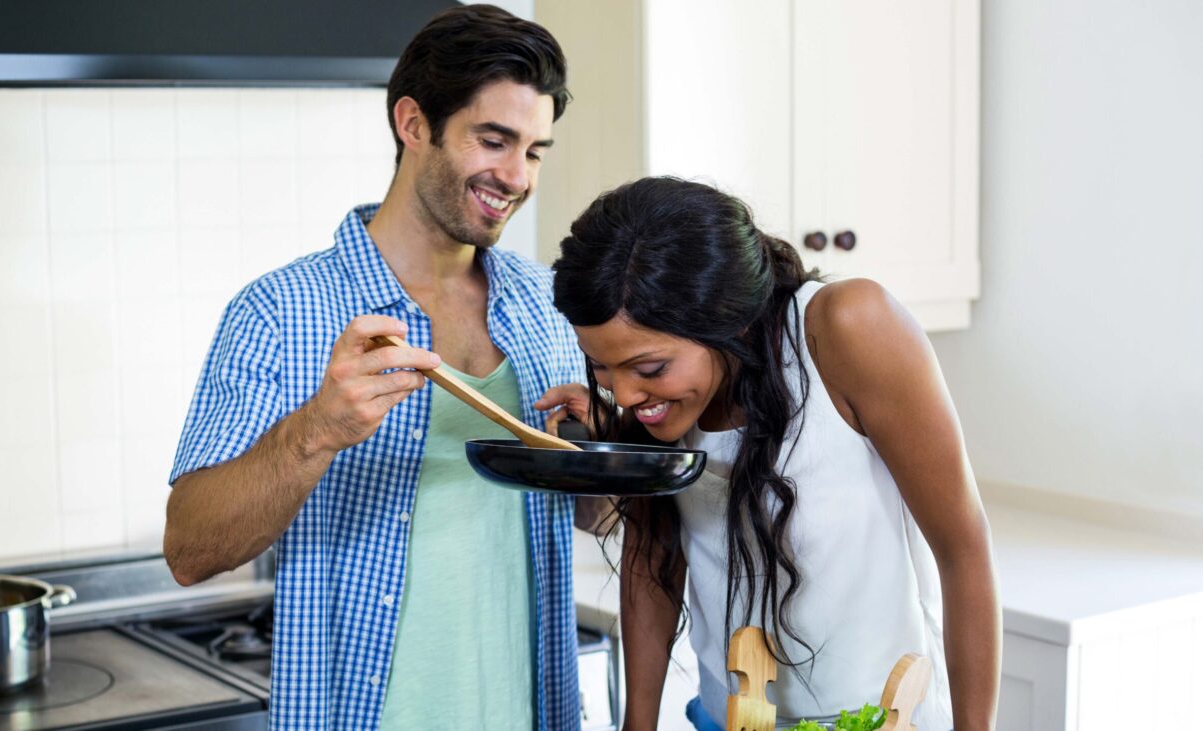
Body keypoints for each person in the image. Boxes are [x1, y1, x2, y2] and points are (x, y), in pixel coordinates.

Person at [163, 6, 584, 729]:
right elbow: (190, 550)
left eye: (536, 150)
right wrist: (315, 431)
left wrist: (600, 444)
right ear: (414, 124)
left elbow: (590, 513)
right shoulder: (282, 311)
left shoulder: (545, 304)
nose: (517, 176)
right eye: (494, 140)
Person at [536, 177, 1001, 730]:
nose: (628, 395)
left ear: (730, 322)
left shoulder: (846, 328)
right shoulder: (662, 406)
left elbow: (963, 547)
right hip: (726, 716)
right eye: (603, 366)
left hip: (880, 718)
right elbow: (652, 559)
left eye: (650, 368)